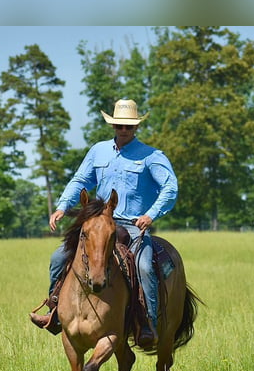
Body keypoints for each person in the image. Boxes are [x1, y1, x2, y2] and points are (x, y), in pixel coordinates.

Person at [29, 99, 178, 349]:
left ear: (136, 127)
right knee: (58, 258)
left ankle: (148, 323)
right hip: (98, 223)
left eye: (128, 127)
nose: (123, 130)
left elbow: (170, 187)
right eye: (119, 125)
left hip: (132, 226)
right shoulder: (98, 151)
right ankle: (55, 312)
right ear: (113, 125)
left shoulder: (151, 156)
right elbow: (80, 180)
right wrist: (62, 206)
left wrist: (150, 215)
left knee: (144, 266)